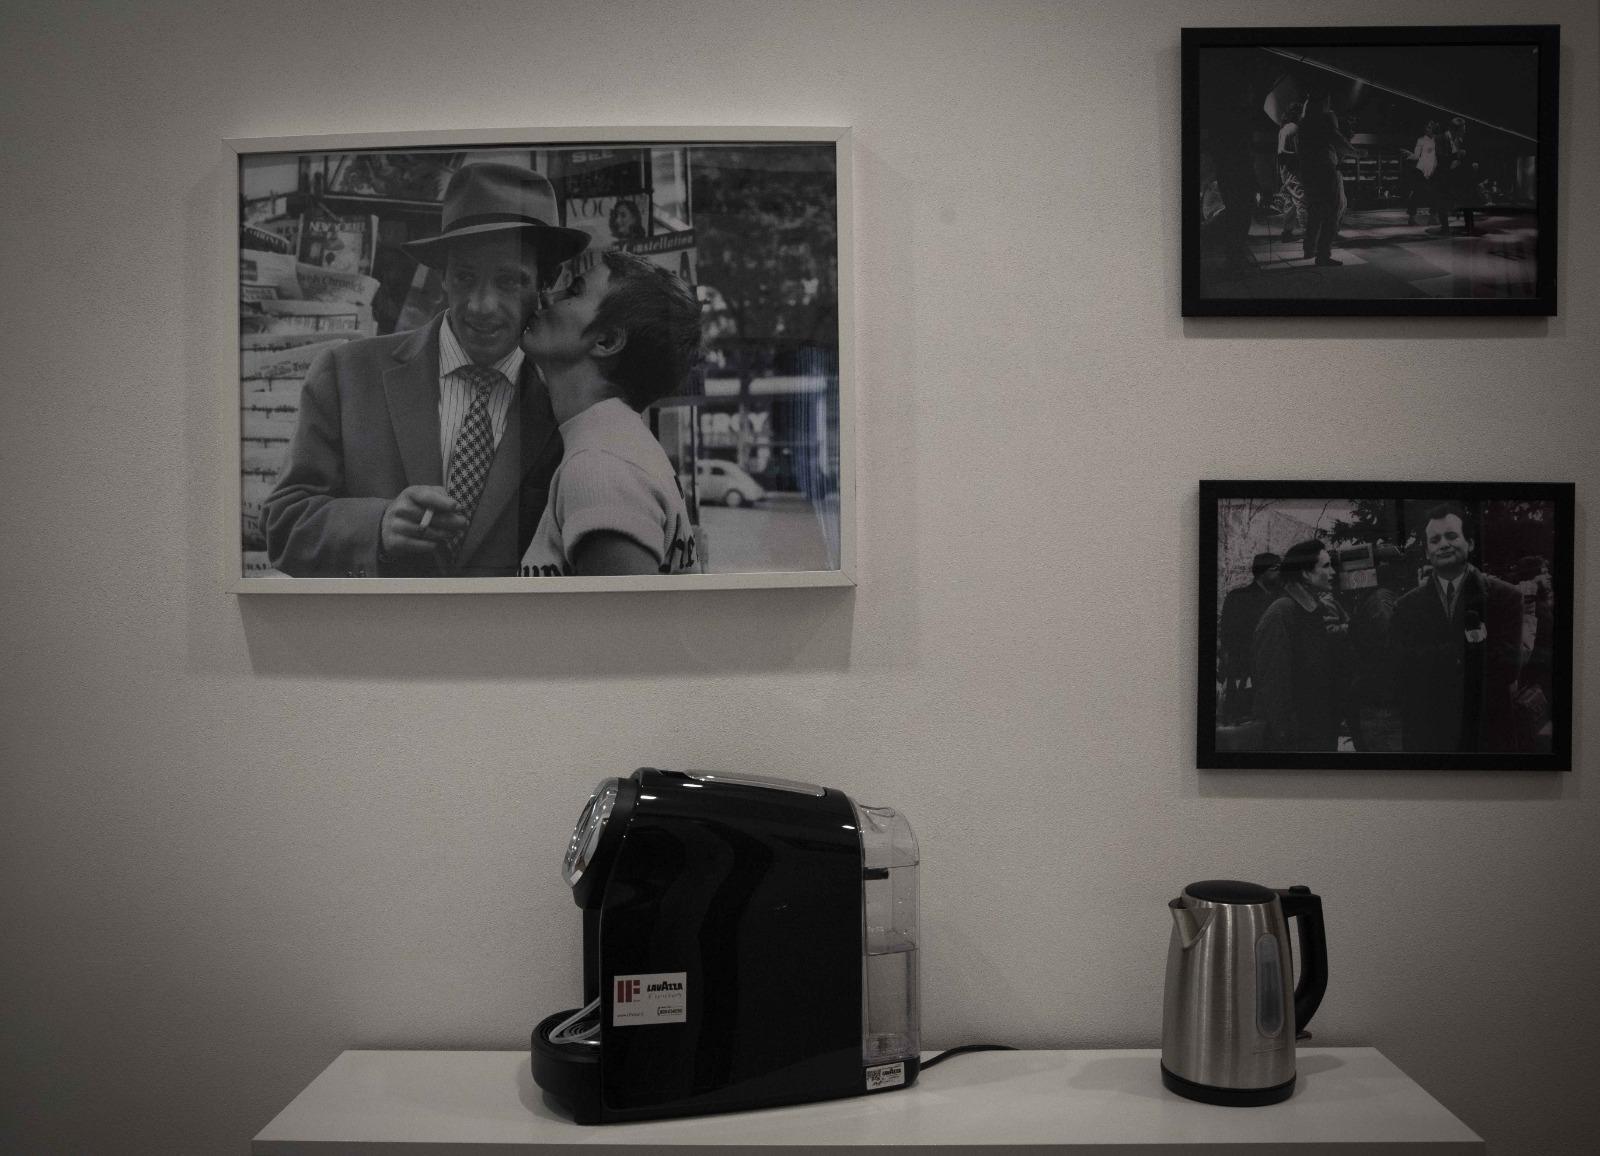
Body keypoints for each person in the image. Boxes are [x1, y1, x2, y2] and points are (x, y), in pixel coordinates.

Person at [261, 163, 591, 577]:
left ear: (545, 282)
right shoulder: (345, 375)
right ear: (442, 277)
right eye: (465, 277)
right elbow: (283, 524)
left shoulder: (567, 404)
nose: (481, 306)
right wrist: (377, 526)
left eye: (509, 281)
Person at [517, 250, 702, 577]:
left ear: (607, 340)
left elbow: (622, 612)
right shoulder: (617, 447)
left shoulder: (598, 468)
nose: (547, 297)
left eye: (574, 291)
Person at [1392, 504, 1525, 752]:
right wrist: (1471, 650)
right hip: (1429, 737)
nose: (1443, 544)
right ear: (1427, 551)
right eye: (1435, 540)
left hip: (1487, 735)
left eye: (1451, 536)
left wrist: (1433, 658)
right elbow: (1403, 671)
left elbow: (1507, 669)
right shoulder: (1405, 607)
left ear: (1470, 543)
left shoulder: (1506, 597)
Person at [1251, 539, 1349, 751]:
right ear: (1305, 573)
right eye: (1326, 566)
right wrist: (1286, 733)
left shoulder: (1313, 610)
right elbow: (1273, 681)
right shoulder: (1282, 612)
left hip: (1319, 727)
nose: (1333, 572)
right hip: (1298, 738)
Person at [1218, 552, 1280, 722]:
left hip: (1272, 672)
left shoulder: (1279, 599)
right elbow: (1228, 636)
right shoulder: (1238, 597)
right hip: (1244, 671)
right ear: (1262, 571)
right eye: (1275, 569)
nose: (1280, 573)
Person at [1295, 92, 1354, 266]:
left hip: (1308, 172)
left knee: (1314, 211)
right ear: (1322, 104)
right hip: (1325, 171)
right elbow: (1338, 140)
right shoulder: (1324, 120)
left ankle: (1309, 249)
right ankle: (1323, 255)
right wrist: (1356, 152)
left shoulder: (1303, 124)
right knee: (1331, 213)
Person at [1403, 121, 1439, 226]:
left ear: (1434, 128)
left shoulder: (1438, 140)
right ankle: (1411, 218)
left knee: (1436, 193)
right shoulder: (1421, 140)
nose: (1427, 129)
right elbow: (1416, 156)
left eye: (1429, 127)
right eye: (1426, 127)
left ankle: (1433, 218)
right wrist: (1409, 154)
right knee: (1417, 193)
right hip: (1421, 169)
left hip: (1434, 169)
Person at [1275, 116, 1305, 242]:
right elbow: (1282, 152)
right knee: (1301, 200)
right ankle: (1308, 233)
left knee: (1290, 202)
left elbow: (1280, 153)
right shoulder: (1294, 128)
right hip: (1294, 171)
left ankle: (1287, 232)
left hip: (1286, 171)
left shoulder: (1285, 129)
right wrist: (1301, 156)